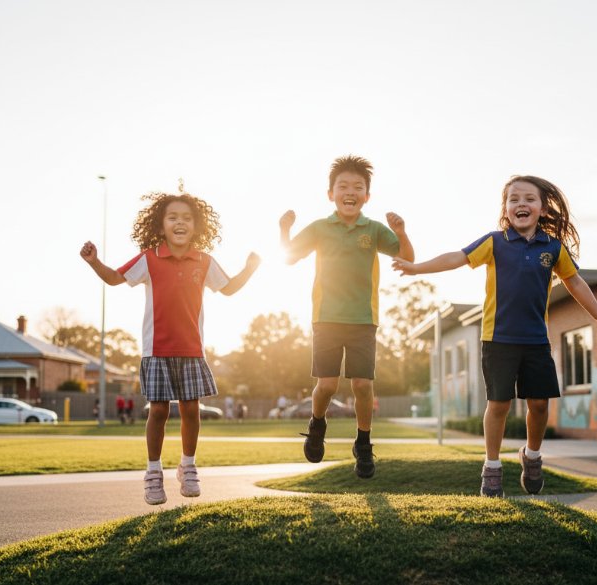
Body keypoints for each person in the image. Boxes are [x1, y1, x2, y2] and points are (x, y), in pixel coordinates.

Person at [392, 175, 597, 497]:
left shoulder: (553, 248)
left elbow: (574, 282)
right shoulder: (495, 242)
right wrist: (417, 268)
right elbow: (457, 258)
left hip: (536, 341)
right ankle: (492, 467)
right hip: (498, 338)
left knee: (540, 404)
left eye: (529, 199)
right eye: (513, 199)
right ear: (506, 208)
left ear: (542, 208)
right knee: (499, 403)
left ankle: (531, 457)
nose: (521, 204)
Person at [81, 191, 260, 505]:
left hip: (192, 350)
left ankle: (187, 467)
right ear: (161, 225)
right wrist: (94, 261)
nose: (180, 222)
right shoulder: (149, 258)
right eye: (173, 217)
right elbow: (113, 278)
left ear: (196, 226)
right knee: (159, 410)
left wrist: (250, 269)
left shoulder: (204, 261)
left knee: (192, 410)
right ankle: (153, 473)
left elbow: (229, 288)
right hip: (156, 350)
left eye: (187, 218)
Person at [280, 154, 414, 478]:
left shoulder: (374, 229)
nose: (350, 191)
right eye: (343, 186)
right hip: (325, 317)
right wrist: (284, 230)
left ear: (366, 196)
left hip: (363, 320)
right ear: (331, 194)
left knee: (362, 384)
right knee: (326, 385)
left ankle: (363, 443)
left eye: (358, 186)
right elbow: (289, 257)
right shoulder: (320, 228)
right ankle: (316, 424)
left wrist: (401, 231)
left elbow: (407, 258)